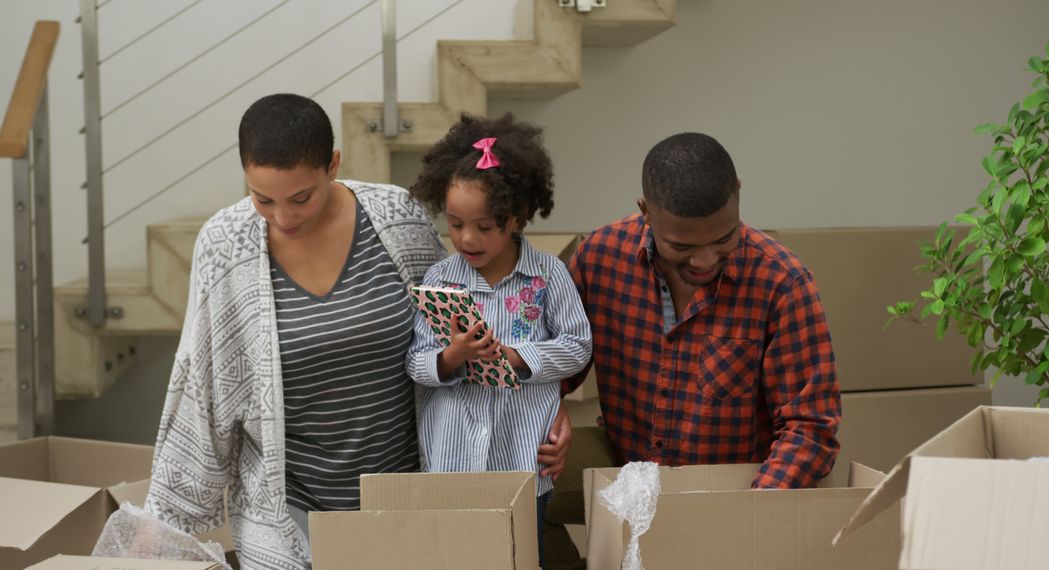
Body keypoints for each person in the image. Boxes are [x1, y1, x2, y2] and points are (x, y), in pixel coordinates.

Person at [140, 94, 573, 570]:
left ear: (333, 165)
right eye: (263, 199)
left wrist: (551, 404)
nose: (284, 218)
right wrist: (160, 527)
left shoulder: (398, 218)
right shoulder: (225, 245)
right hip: (289, 512)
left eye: (301, 197)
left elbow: (473, 330)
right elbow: (203, 388)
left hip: (411, 499)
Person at [545, 132, 842, 568]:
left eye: (723, 240)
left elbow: (811, 428)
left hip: (735, 486)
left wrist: (750, 515)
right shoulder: (600, 258)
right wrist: (549, 405)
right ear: (645, 212)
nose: (704, 260)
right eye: (681, 246)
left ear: (738, 194)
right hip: (628, 464)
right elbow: (556, 362)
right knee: (519, 475)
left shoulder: (783, 282)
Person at [405, 113, 592, 569]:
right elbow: (416, 361)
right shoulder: (439, 280)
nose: (467, 238)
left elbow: (578, 346)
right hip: (452, 465)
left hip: (524, 461)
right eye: (454, 224)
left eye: (485, 226)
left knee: (520, 556)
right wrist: (453, 356)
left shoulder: (548, 276)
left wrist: (517, 356)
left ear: (516, 217)